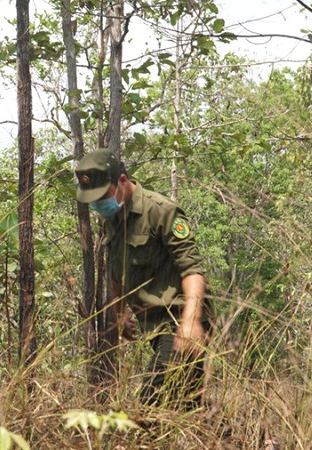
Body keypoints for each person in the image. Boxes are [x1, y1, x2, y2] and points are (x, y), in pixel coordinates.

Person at [74, 149, 211, 410]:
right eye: (93, 200)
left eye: (103, 196)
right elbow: (117, 273)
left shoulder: (161, 211)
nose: (99, 204)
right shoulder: (111, 222)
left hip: (179, 318)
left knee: (151, 402)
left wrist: (191, 321)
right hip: (154, 326)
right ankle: (261, 443)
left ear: (123, 181)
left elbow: (192, 269)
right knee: (189, 405)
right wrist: (121, 313)